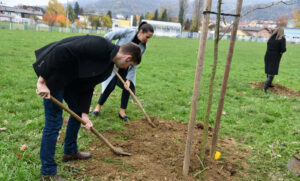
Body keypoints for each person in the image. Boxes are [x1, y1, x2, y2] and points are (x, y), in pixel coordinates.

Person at [33, 35, 141, 181]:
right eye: (130, 65)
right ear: (127, 58)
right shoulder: (100, 45)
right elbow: (61, 51)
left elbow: (87, 87)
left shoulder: (107, 68)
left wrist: (84, 115)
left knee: (77, 111)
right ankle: (47, 173)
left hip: (69, 80)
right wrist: (41, 81)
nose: (128, 68)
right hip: (53, 74)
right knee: (54, 123)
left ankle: (70, 152)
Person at [92, 22, 154, 121]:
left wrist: (129, 79)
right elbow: (107, 37)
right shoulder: (128, 32)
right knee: (110, 86)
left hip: (127, 68)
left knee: (127, 88)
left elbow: (135, 64)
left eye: (150, 38)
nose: (148, 40)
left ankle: (122, 112)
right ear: (141, 32)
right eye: (147, 37)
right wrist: (110, 53)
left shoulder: (143, 47)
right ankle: (98, 107)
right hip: (115, 64)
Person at [263, 27, 286, 93]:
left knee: (268, 70)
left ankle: (269, 84)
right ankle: (265, 89)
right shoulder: (282, 39)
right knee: (272, 72)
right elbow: (283, 49)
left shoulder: (271, 37)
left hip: (267, 55)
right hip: (275, 57)